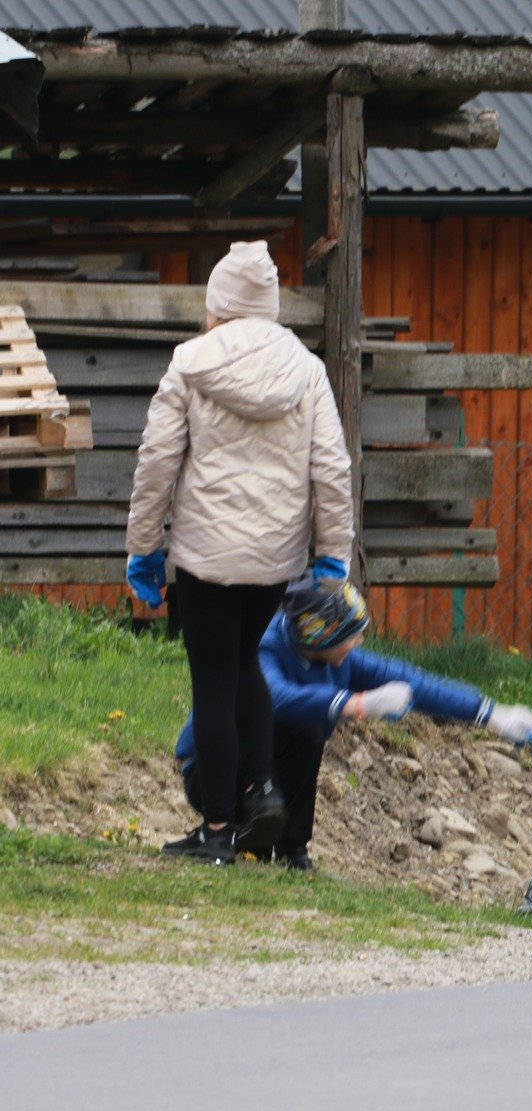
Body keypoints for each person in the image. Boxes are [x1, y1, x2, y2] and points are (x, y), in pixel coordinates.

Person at [125, 241, 354, 867]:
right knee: (246, 661)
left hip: (205, 555)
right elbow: (332, 468)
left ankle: (219, 829)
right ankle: (262, 790)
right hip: (274, 559)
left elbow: (157, 461)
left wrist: (144, 548)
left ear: (220, 303)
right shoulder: (306, 369)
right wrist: (333, 555)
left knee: (214, 679)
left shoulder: (191, 361)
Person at [172, 574, 532, 870]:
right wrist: (355, 703)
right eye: (350, 636)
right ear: (320, 634)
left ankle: (292, 852)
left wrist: (492, 714)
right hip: (209, 777)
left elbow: (415, 683)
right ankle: (235, 830)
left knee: (308, 733)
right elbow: (277, 698)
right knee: (300, 726)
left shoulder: (339, 658)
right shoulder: (266, 646)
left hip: (266, 776)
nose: (358, 643)